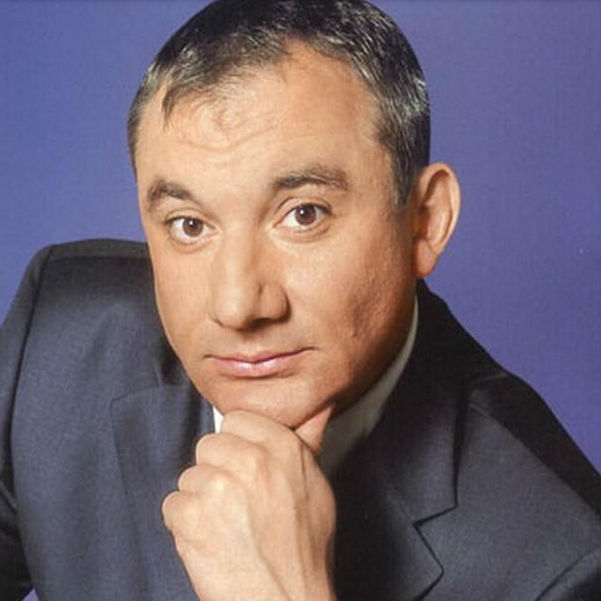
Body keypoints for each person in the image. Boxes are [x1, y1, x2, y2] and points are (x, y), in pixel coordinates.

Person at [1, 0, 599, 599]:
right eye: (189, 225)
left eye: (303, 215)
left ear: (424, 220)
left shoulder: (563, 562)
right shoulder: (57, 348)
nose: (238, 306)